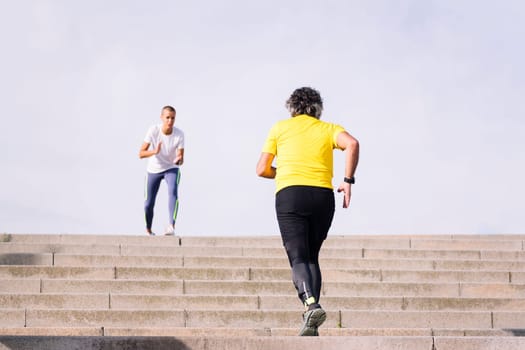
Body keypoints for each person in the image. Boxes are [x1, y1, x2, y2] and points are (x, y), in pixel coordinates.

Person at [256, 87, 359, 336]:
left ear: (292, 107)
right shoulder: (329, 129)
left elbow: (262, 169)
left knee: (298, 258)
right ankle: (310, 318)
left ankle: (311, 304)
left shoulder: (280, 128)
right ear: (317, 109)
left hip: (291, 194)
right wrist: (347, 181)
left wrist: (286, 171)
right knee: (312, 257)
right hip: (323, 196)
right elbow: (352, 144)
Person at [139, 105, 185, 236]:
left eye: (173, 118)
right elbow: (141, 153)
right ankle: (148, 229)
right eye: (167, 118)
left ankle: (171, 226)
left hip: (171, 168)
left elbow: (181, 159)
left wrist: (179, 159)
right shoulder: (153, 130)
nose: (170, 121)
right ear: (162, 118)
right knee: (148, 203)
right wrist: (155, 151)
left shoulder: (179, 134)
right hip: (154, 169)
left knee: (173, 192)